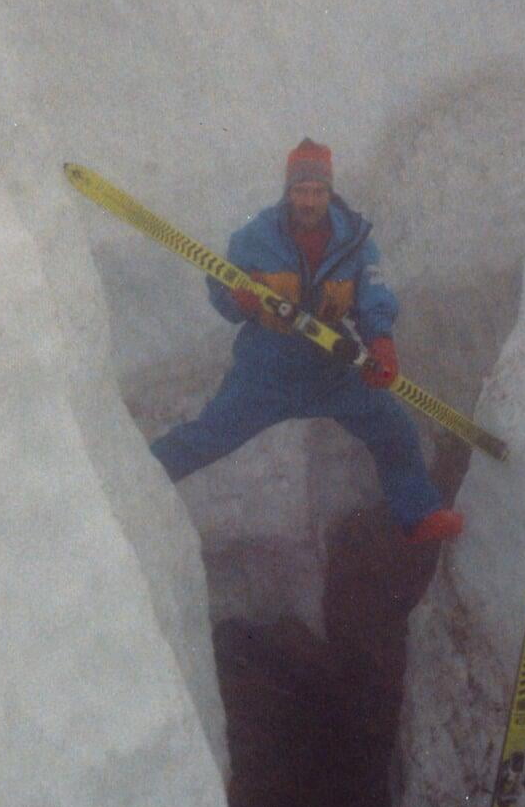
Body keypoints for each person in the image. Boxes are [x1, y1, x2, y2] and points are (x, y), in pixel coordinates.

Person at [150, 139, 464, 542]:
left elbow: (372, 293)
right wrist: (235, 298)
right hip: (266, 371)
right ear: (288, 191)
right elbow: (221, 292)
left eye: (317, 191)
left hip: (332, 369)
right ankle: (136, 477)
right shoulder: (254, 237)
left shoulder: (355, 240)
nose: (309, 201)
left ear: (329, 192)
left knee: (394, 430)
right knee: (208, 437)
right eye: (301, 191)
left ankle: (420, 515)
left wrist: (381, 340)